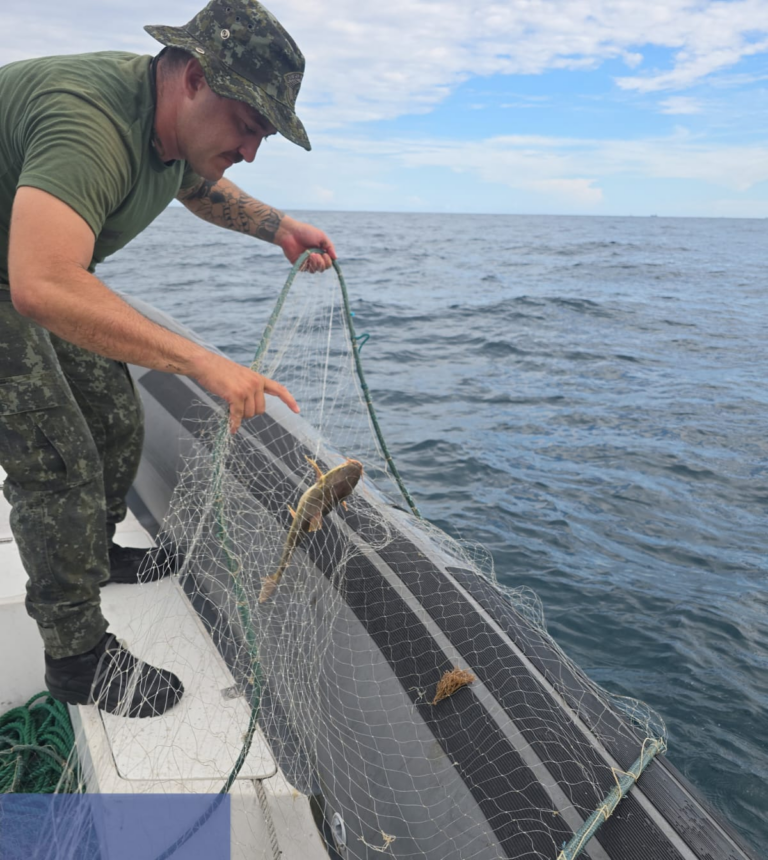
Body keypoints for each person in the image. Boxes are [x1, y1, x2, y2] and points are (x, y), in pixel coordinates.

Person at [0, 0, 335, 718]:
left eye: (266, 136)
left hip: (27, 268)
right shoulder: (86, 119)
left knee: (117, 415)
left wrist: (277, 226)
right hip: (23, 273)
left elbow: (199, 186)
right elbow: (42, 284)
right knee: (57, 455)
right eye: (248, 125)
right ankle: (77, 656)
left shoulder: (172, 132)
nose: (251, 150)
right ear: (192, 78)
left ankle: (92, 552)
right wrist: (201, 362)